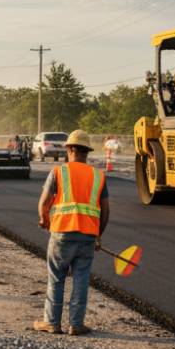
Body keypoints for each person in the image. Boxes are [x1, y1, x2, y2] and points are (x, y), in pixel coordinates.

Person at [34, 129, 109, 336]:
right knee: (81, 279)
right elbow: (106, 211)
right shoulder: (98, 176)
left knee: (56, 278)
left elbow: (44, 202)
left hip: (62, 234)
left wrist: (44, 219)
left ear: (69, 149)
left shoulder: (59, 172)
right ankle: (76, 324)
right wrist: (97, 235)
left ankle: (52, 322)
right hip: (87, 237)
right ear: (87, 152)